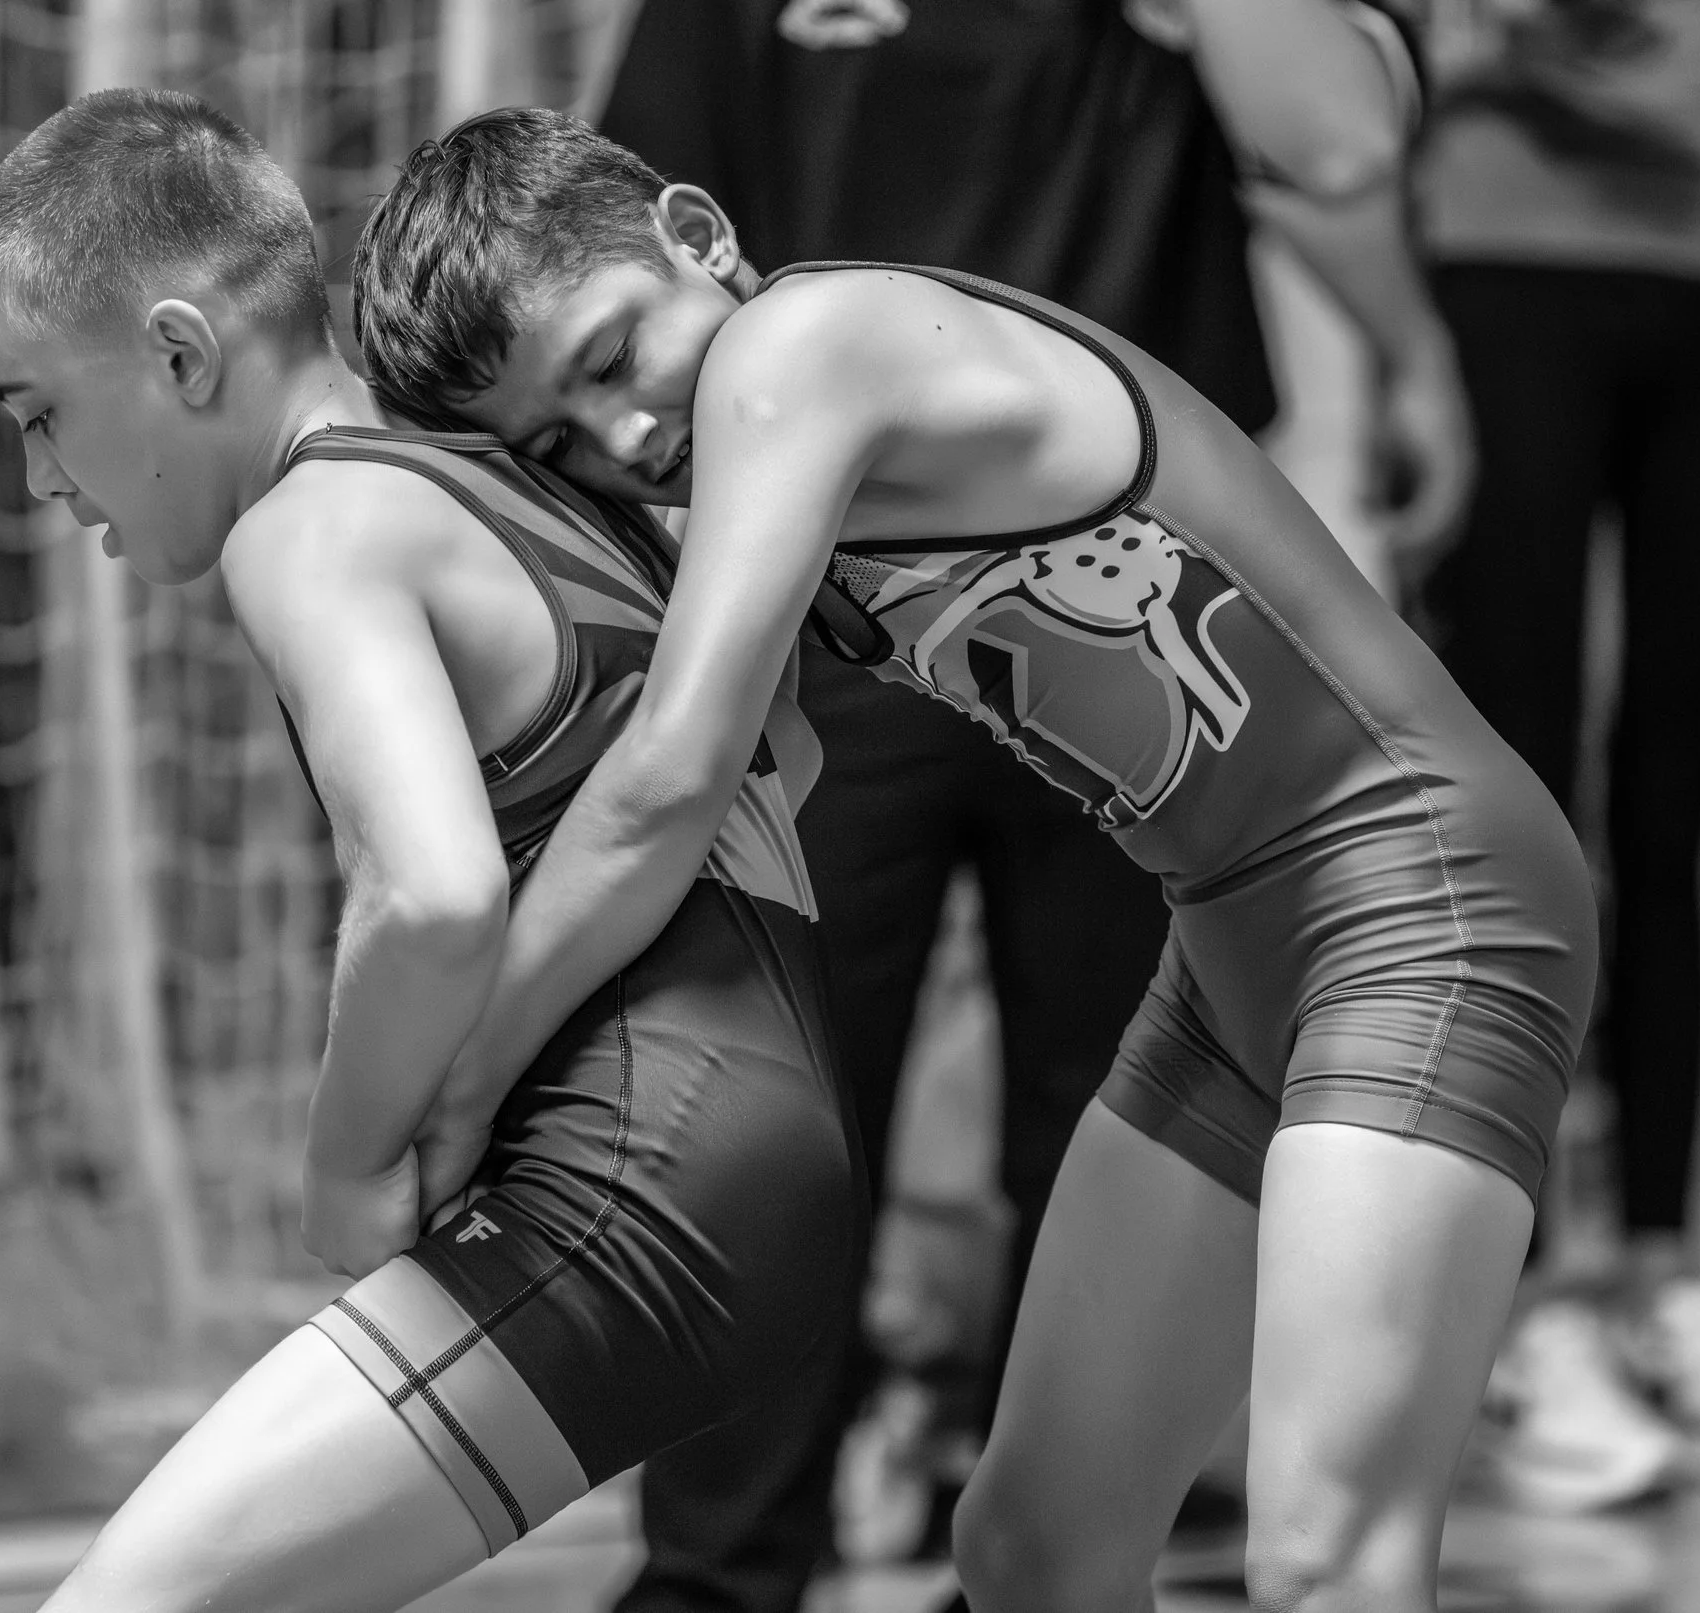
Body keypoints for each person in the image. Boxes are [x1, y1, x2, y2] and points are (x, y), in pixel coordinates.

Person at [355, 110, 1597, 1612]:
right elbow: (759, 782)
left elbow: (668, 783)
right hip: (1230, 957)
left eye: (612, 359)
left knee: (1330, 1559)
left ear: (696, 235)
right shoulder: (748, 466)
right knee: (1032, 1554)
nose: (621, 440)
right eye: (556, 439)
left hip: (1424, 905)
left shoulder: (806, 347)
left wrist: (466, 1075)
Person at [594, 5, 1469, 1604]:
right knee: (774, 1115)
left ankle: (1040, 1551)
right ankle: (723, 1576)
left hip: (1125, 603)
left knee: (1106, 1106)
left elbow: (1338, 142)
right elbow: (626, 268)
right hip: (832, 614)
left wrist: (1408, 352)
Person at [0, 89, 860, 1613]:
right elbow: (793, 751)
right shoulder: (521, 482)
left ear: (179, 354)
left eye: (40, 412)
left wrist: (346, 1160)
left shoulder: (307, 530)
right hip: (768, 1152)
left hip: (647, 1175)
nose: (44, 482)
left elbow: (433, 894)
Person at [1413, 0, 1700, 1512]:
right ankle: (1518, 1313)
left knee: (1676, 802)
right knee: (1512, 811)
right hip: (1506, 263)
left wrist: (1562, 57)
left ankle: (1667, 1282)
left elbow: (1693, 71)